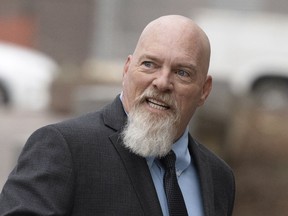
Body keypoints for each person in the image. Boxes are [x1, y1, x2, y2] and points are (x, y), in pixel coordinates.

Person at [0, 15, 235, 216]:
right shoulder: (64, 149)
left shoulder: (219, 178)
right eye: (150, 64)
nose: (162, 82)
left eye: (182, 72)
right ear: (126, 70)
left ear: (204, 90)